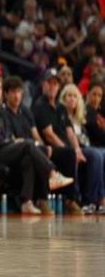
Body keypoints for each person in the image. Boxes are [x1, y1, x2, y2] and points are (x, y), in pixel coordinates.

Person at [0, 77, 73, 214]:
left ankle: (27, 202)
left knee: (28, 158)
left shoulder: (0, 112)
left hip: (4, 149)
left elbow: (6, 135)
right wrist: (11, 142)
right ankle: (52, 173)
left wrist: (11, 141)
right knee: (28, 144)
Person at [32, 68, 84, 214]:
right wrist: (68, 150)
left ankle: (75, 200)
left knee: (76, 154)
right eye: (49, 83)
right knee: (69, 155)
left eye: (55, 84)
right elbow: (49, 135)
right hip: (47, 148)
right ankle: (66, 200)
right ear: (44, 85)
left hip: (63, 148)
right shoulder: (40, 105)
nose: (52, 86)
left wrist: (77, 150)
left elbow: (70, 132)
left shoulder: (61, 107)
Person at [59, 83, 105, 214]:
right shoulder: (61, 116)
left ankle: (100, 198)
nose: (72, 99)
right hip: (72, 148)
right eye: (69, 96)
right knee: (96, 155)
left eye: (75, 96)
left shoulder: (79, 117)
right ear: (63, 98)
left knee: (102, 153)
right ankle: (89, 200)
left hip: (86, 146)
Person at [86, 80, 105, 147]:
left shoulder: (99, 113)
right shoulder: (86, 111)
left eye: (99, 96)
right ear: (88, 94)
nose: (96, 99)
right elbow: (96, 135)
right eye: (94, 94)